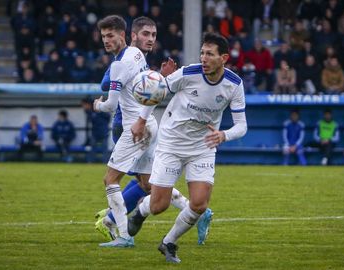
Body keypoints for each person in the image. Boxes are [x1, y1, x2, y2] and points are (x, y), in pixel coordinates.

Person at [128, 33, 247, 263]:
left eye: (209, 54)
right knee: (159, 206)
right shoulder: (188, 73)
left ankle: (168, 242)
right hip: (171, 143)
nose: (203, 58)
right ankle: (142, 210)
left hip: (203, 146)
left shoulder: (234, 84)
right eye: (202, 53)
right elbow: (156, 93)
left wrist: (224, 134)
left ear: (223, 58)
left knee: (200, 204)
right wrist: (141, 121)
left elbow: (242, 126)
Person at [92, 15, 196, 248]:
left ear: (123, 35)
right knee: (149, 183)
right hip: (148, 123)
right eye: (103, 37)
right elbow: (148, 86)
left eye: (111, 36)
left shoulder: (119, 65)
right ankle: (195, 210)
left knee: (110, 180)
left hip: (134, 128)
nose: (107, 41)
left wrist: (97, 104)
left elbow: (110, 105)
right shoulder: (137, 55)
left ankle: (123, 236)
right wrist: (162, 77)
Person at [81, 97, 111, 163]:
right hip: (95, 133)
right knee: (93, 148)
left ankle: (105, 162)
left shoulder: (103, 110)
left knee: (104, 148)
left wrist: (99, 111)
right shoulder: (89, 112)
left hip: (104, 132)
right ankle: (91, 162)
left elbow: (108, 117)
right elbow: (90, 119)